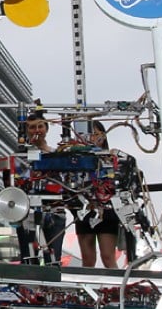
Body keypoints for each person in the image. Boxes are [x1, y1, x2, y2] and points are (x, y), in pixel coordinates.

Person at [15, 113, 66, 265]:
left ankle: (53, 288)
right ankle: (29, 287)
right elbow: (13, 184)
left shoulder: (57, 155)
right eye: (32, 127)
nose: (36, 130)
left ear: (46, 128)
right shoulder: (20, 156)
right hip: (27, 212)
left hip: (55, 211)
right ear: (26, 130)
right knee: (29, 257)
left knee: (53, 259)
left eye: (40, 126)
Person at [72, 121, 120, 269]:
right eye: (89, 134)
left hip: (108, 211)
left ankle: (118, 289)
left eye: (96, 133)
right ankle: (87, 290)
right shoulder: (76, 159)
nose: (92, 137)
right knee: (87, 259)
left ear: (103, 136)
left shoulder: (112, 158)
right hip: (85, 210)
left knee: (107, 256)